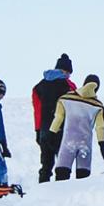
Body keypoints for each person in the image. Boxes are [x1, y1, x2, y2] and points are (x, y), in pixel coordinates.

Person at [49, 74, 104, 180]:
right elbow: (100, 127)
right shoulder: (98, 106)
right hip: (85, 146)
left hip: (67, 143)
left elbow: (58, 118)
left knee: (61, 175)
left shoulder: (66, 99)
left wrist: (51, 134)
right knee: (83, 179)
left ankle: (58, 195)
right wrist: (102, 145)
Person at [31, 54, 76, 183]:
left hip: (44, 130)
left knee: (46, 165)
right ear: (64, 70)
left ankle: (42, 191)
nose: (68, 76)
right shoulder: (69, 86)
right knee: (63, 166)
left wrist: (38, 131)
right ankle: (59, 193)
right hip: (61, 130)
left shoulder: (38, 87)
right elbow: (73, 110)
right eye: (68, 72)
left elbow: (37, 111)